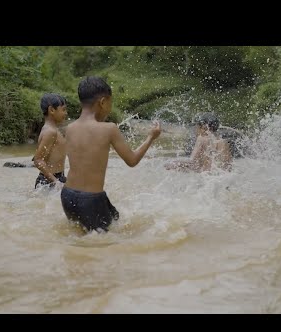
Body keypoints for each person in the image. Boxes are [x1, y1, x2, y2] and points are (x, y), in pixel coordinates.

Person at [61, 76, 161, 232]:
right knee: (105, 244)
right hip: (91, 200)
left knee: (111, 221)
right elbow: (132, 160)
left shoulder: (70, 128)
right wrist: (151, 137)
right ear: (102, 102)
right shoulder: (109, 129)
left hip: (67, 196)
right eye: (110, 103)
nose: (110, 108)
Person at [165, 112, 232, 172]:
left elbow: (192, 161)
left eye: (197, 127)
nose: (196, 129)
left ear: (203, 127)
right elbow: (228, 166)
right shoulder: (223, 142)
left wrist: (174, 163)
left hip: (206, 176)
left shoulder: (202, 139)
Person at [33, 93, 68, 189]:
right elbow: (38, 160)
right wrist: (55, 181)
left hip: (56, 178)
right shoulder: (50, 132)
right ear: (51, 110)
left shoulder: (53, 130)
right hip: (49, 181)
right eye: (63, 109)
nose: (66, 113)